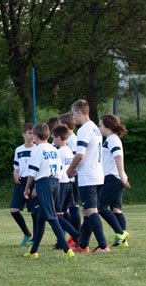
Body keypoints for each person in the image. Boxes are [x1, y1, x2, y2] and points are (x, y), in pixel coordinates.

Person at [23, 124, 74, 258]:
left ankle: (66, 249)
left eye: (33, 134)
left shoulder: (37, 150)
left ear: (35, 136)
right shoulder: (54, 149)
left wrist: (27, 188)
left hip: (44, 183)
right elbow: (60, 168)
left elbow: (32, 172)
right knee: (41, 217)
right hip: (56, 183)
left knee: (52, 217)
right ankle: (33, 251)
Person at [67, 99, 109, 254]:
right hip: (98, 174)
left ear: (79, 112)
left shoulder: (84, 130)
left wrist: (69, 170)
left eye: (73, 114)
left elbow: (80, 155)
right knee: (87, 213)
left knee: (91, 212)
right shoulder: (95, 129)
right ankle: (83, 245)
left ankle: (103, 246)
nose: (73, 118)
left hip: (88, 177)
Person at [98, 114, 130, 247]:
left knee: (100, 207)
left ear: (107, 126)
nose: (99, 128)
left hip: (113, 177)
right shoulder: (111, 139)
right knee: (116, 208)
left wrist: (122, 175)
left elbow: (118, 157)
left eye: (100, 125)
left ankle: (120, 232)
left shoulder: (112, 139)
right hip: (116, 177)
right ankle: (123, 241)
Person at [52, 125, 80, 248]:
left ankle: (75, 235)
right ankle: (62, 241)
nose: (53, 141)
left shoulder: (59, 152)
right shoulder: (68, 150)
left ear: (58, 137)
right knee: (63, 213)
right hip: (70, 183)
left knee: (56, 215)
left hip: (62, 184)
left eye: (54, 138)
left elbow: (58, 169)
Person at [10, 123, 37, 246]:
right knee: (14, 210)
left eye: (33, 133)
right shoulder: (18, 150)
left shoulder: (37, 149)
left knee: (34, 211)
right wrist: (15, 174)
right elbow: (16, 167)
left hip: (32, 182)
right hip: (21, 183)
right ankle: (27, 233)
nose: (32, 136)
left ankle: (35, 238)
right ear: (23, 134)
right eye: (30, 133)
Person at [59, 112, 80, 231]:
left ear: (65, 126)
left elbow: (76, 158)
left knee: (72, 206)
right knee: (67, 208)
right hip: (67, 179)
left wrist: (72, 171)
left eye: (60, 124)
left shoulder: (72, 140)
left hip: (70, 179)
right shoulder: (68, 138)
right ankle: (73, 234)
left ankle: (76, 234)